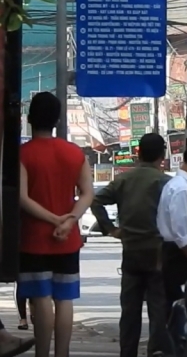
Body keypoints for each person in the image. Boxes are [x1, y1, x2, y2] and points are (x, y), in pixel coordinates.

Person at [18, 92, 93, 357]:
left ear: (29, 119)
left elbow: (22, 198)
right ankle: (62, 354)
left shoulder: (22, 154)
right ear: (57, 120)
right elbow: (87, 193)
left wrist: (53, 219)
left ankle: (42, 354)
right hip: (68, 240)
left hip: (34, 239)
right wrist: (69, 219)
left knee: (41, 301)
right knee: (64, 300)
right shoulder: (75, 154)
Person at [90, 133, 172, 357]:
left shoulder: (124, 180)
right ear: (162, 155)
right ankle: (156, 352)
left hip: (131, 251)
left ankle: (128, 353)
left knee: (130, 311)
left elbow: (96, 200)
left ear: (139, 153)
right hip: (157, 252)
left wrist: (110, 229)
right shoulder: (166, 183)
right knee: (158, 310)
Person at [157, 135, 187, 309]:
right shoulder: (182, 188)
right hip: (178, 256)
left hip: (175, 253)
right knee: (180, 308)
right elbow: (183, 234)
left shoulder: (178, 185)